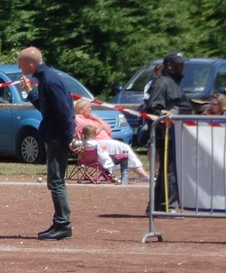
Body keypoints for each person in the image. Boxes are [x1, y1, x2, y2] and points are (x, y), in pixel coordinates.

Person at [18, 47, 75, 240]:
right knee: (55, 181)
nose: (19, 67)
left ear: (31, 65)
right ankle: (60, 223)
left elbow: (65, 112)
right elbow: (46, 108)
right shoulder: (46, 79)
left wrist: (69, 138)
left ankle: (63, 225)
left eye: (21, 64)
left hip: (58, 137)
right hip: (56, 135)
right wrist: (29, 92)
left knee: (56, 181)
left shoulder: (49, 81)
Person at [145, 52, 190, 212]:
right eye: (179, 64)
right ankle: (166, 205)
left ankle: (156, 205)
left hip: (174, 133)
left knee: (168, 170)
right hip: (165, 133)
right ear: (170, 65)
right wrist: (167, 115)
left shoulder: (172, 83)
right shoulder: (162, 83)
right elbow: (153, 107)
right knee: (168, 170)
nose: (182, 67)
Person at [76, 125, 150, 183]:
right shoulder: (96, 144)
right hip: (101, 161)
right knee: (124, 156)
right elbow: (103, 154)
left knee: (116, 155)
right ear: (93, 134)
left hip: (86, 162)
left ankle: (113, 175)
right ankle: (124, 177)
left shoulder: (82, 144)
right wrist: (105, 150)